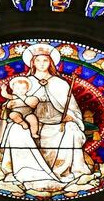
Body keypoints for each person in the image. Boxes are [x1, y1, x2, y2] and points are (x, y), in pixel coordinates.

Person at [22, 44, 92, 180]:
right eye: (38, 60)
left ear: (51, 62)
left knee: (73, 130)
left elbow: (72, 107)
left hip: (58, 123)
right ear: (32, 62)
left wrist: (70, 116)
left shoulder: (60, 83)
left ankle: (64, 170)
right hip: (34, 123)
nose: (41, 64)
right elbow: (18, 105)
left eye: (45, 60)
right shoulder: (26, 82)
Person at [0, 75, 65, 194]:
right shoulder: (12, 98)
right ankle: (21, 123)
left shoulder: (31, 98)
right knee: (13, 116)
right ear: (14, 89)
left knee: (33, 120)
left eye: (23, 89)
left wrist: (21, 98)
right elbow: (7, 102)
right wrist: (4, 92)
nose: (20, 90)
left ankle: (34, 132)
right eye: (18, 89)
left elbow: (32, 104)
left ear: (27, 90)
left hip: (28, 113)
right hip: (17, 115)